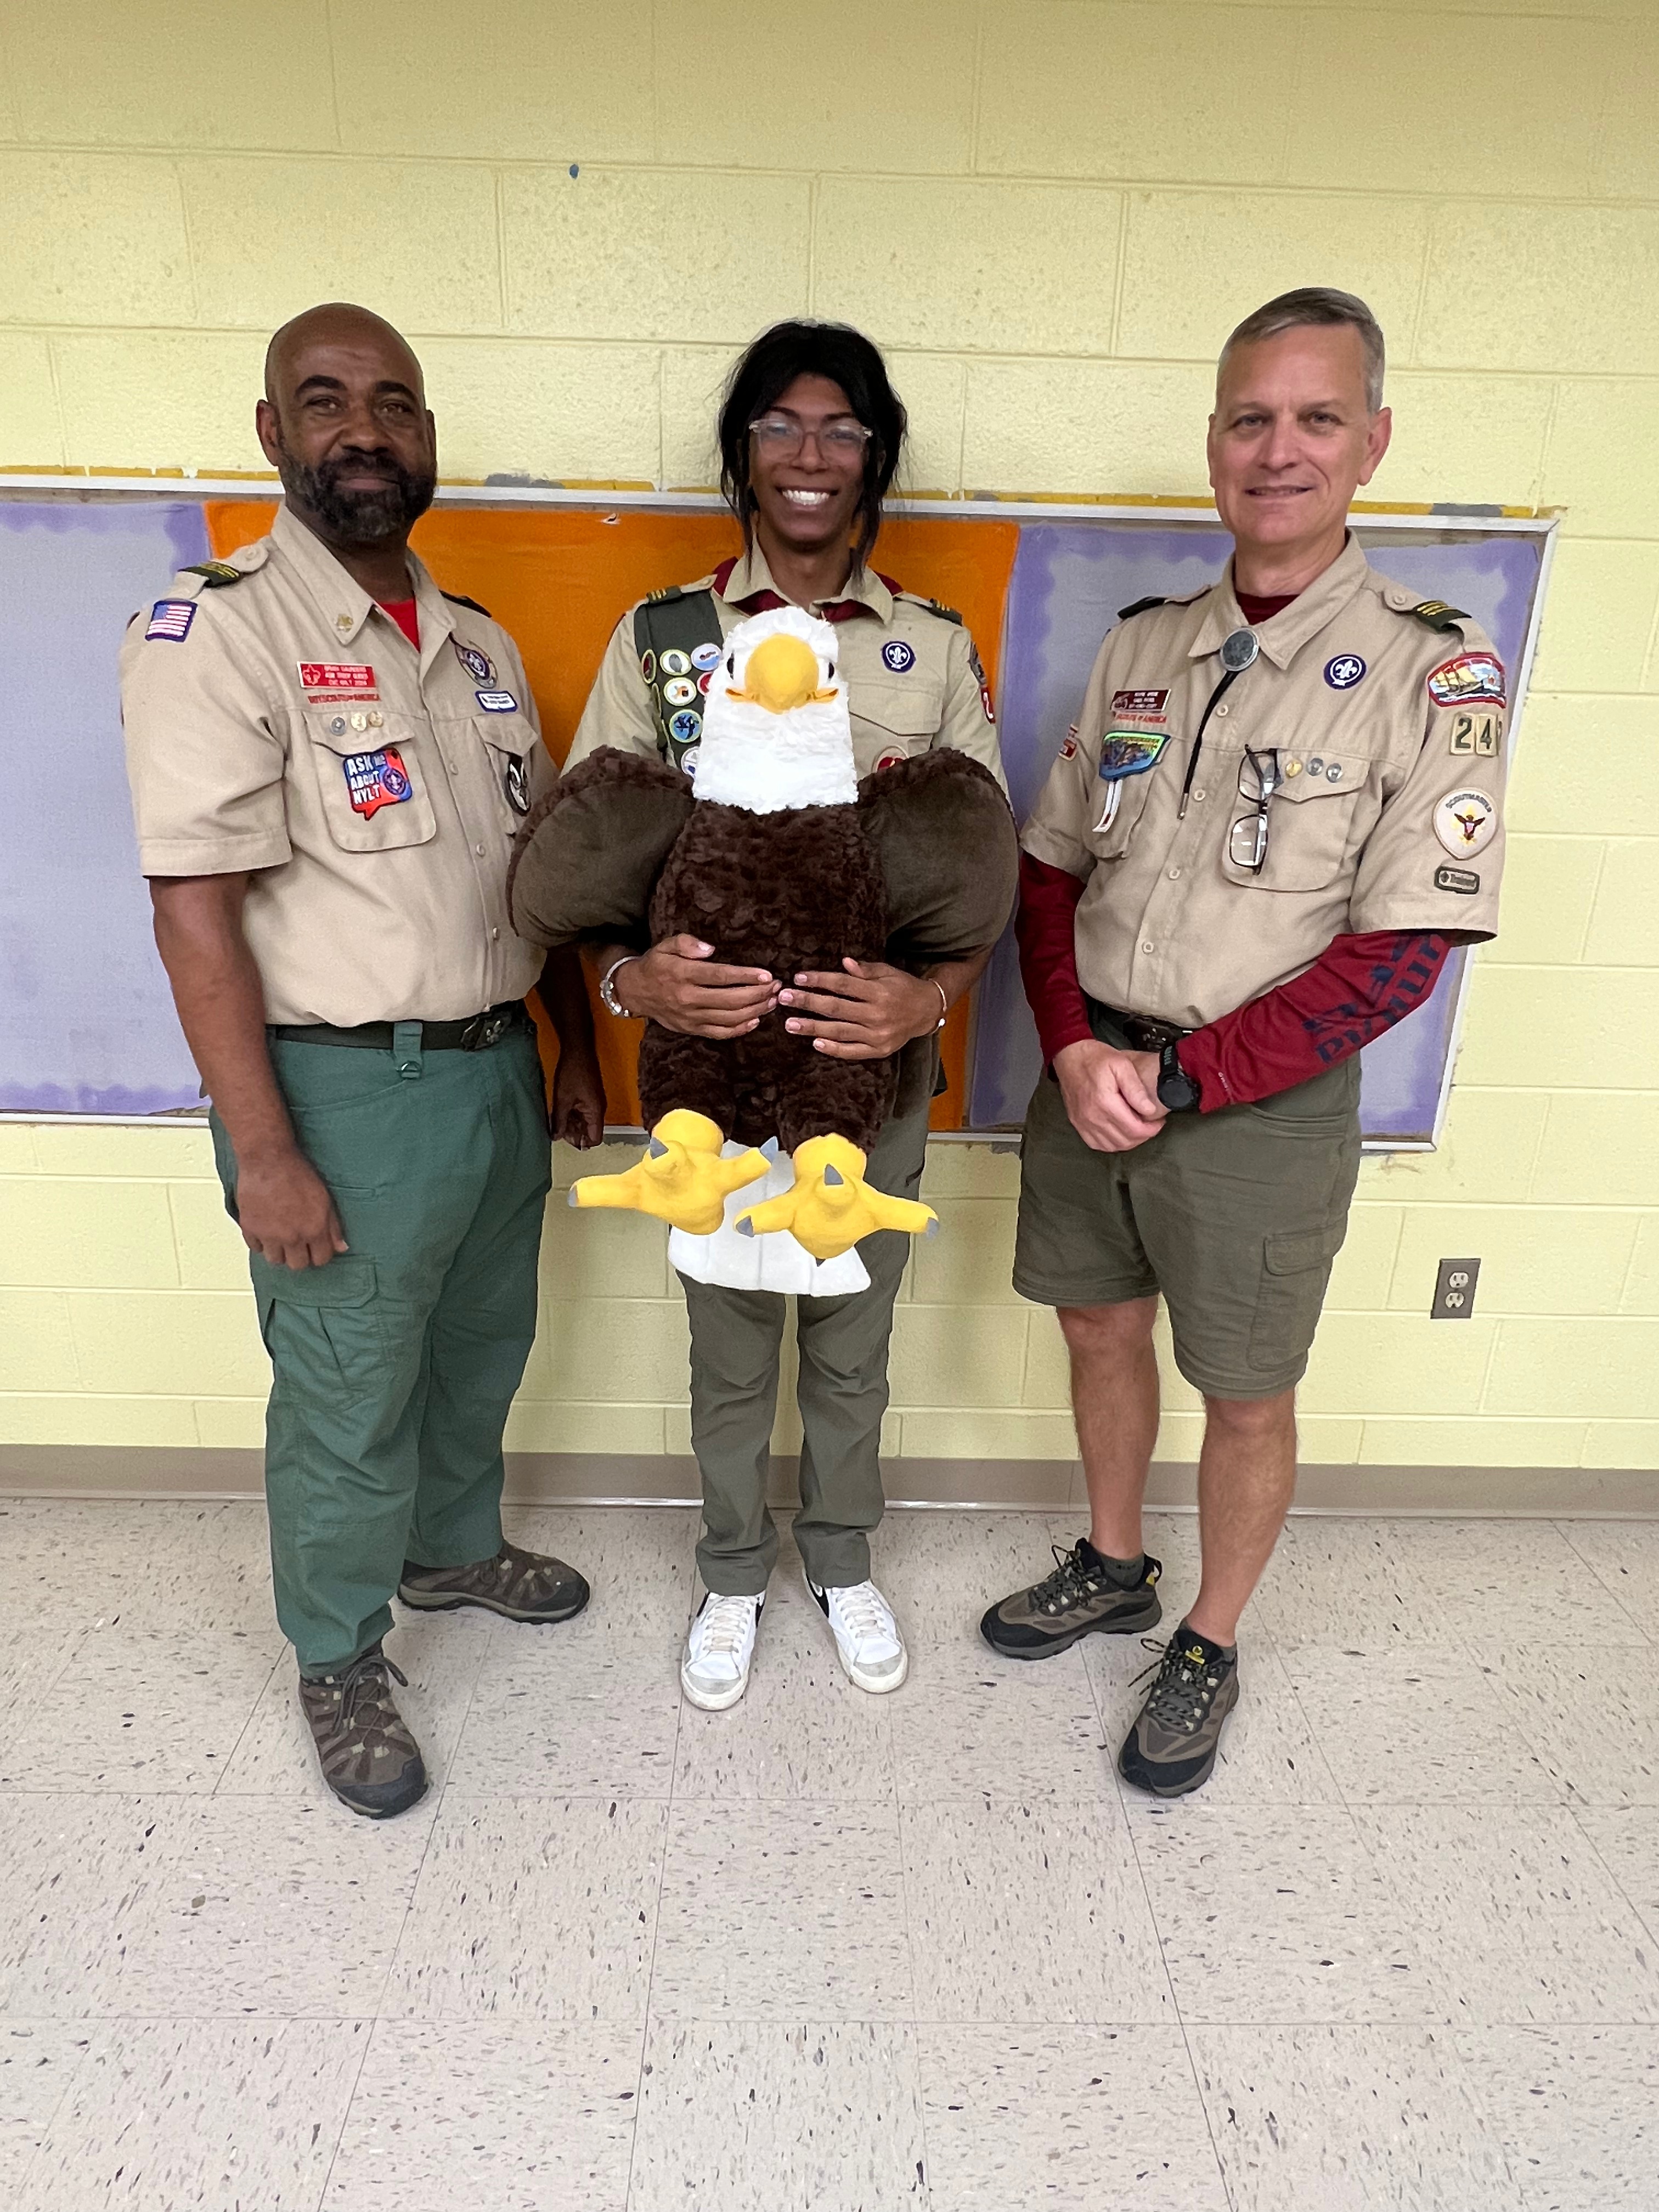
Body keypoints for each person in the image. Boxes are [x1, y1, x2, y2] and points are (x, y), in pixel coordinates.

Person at [981, 288, 1508, 1796]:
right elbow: (1050, 869)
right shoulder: (1145, 648)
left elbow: (1402, 952)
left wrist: (1181, 1077)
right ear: (1214, 442)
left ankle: (1208, 1638)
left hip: (1253, 1113)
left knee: (1247, 1389)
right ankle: (1113, 1563)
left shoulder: (1434, 673)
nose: (1279, 450)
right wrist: (1075, 1049)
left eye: (1316, 418)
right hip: (1093, 1075)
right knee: (1098, 1330)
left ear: (1372, 443)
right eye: (1250, 419)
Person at [119, 303, 606, 1819]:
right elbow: (193, 913)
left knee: (477, 1349)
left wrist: (571, 1046)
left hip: (493, 1071)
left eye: (394, 403)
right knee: (346, 1393)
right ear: (274, 432)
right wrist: (267, 1152)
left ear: (428, 435)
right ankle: (337, 1652)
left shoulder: (479, 647)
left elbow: (542, 875)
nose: (365, 431)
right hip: (338, 1093)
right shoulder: (219, 633)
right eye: (326, 401)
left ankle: (450, 1551)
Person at [568, 319, 1007, 1711]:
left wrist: (928, 1000)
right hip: (711, 1089)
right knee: (728, 1357)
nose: (809, 453)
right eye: (779, 424)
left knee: (853, 1352)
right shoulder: (664, 640)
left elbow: (979, 871)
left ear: (874, 457)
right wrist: (629, 983)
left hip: (867, 1083)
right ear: (742, 451)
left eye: (841, 428)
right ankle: (731, 1571)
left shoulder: (928, 648)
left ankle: (842, 1557)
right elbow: (588, 853)